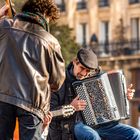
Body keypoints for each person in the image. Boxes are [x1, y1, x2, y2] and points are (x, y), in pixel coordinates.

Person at [0, 0, 65, 139]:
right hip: (33, 104)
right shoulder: (50, 41)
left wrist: (0, 16)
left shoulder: (5, 26)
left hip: (3, 97)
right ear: (45, 14)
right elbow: (57, 81)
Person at [48, 47, 140, 140]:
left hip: (103, 124)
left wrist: (124, 96)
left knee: (135, 134)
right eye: (82, 68)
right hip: (75, 124)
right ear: (75, 62)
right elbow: (51, 113)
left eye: (88, 70)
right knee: (92, 137)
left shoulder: (99, 77)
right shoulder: (59, 81)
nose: (84, 73)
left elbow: (111, 99)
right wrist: (71, 107)